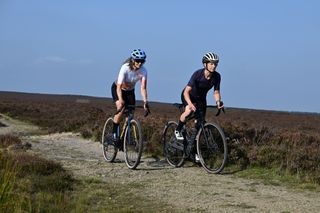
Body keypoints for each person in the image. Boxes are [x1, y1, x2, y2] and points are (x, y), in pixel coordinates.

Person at [175, 52, 225, 144]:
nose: (213, 66)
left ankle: (195, 150)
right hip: (188, 95)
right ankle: (178, 129)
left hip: (201, 98)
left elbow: (216, 91)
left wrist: (218, 102)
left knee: (200, 123)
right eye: (211, 63)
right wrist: (190, 104)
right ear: (205, 64)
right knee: (188, 111)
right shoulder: (198, 74)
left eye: (215, 64)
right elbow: (186, 91)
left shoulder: (217, 76)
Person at [111, 49, 150, 144]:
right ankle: (114, 134)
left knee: (130, 115)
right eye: (137, 60)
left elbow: (143, 88)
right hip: (118, 90)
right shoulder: (125, 68)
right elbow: (119, 87)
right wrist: (120, 100)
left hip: (129, 92)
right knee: (121, 109)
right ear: (133, 60)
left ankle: (124, 139)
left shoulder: (144, 71)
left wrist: (145, 102)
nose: (140, 63)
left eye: (142, 61)